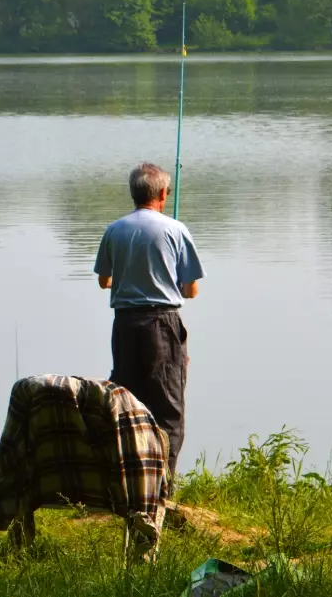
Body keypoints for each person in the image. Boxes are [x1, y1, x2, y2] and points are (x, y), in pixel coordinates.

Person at [93, 162, 205, 476]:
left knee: (126, 400)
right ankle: (163, 484)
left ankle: (126, 477)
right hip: (163, 324)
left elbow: (104, 281)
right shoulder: (175, 229)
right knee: (168, 405)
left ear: (134, 193)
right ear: (162, 194)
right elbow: (191, 290)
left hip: (125, 325)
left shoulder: (114, 230)